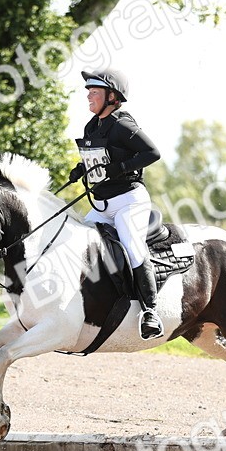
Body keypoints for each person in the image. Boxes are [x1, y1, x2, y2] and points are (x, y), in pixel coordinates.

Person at [71, 68, 164, 340]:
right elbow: (99, 157)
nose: (88, 95)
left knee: (133, 248)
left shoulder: (123, 125)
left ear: (112, 97)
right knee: (76, 245)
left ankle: (150, 312)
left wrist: (120, 168)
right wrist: (80, 168)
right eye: (88, 91)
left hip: (128, 202)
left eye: (94, 91)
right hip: (102, 204)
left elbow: (152, 153)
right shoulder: (92, 125)